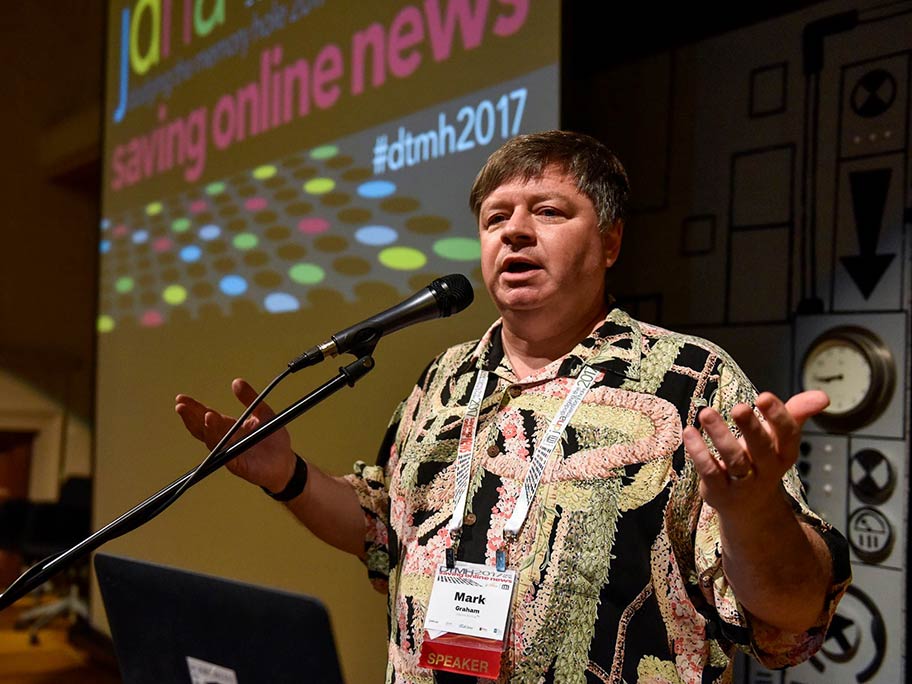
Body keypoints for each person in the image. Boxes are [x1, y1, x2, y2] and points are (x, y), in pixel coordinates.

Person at [176, 131, 850, 683]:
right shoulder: (446, 376)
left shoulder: (691, 380)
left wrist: (754, 510)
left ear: (610, 241)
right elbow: (381, 531)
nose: (515, 232)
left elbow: (792, 615)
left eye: (549, 212)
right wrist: (288, 476)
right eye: (496, 218)